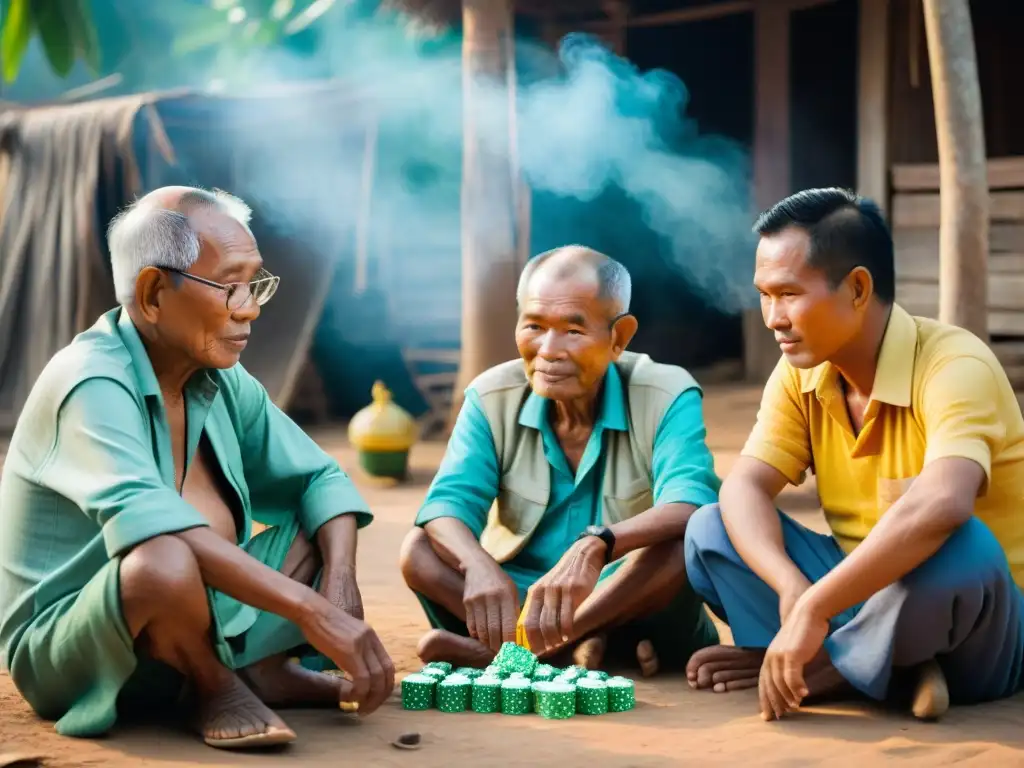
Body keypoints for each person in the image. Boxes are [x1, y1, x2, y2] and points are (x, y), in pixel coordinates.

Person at [0, 187, 394, 749]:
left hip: (199, 616)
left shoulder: (220, 378)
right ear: (155, 293)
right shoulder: (89, 381)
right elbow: (156, 532)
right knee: (161, 560)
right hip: (72, 651)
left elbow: (321, 479)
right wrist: (311, 612)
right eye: (230, 286)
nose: (251, 307)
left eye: (255, 283)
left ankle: (262, 670)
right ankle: (212, 684)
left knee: (323, 527)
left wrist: (338, 586)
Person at [683, 187, 1024, 721]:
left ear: (858, 288)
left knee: (962, 544)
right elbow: (745, 486)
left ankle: (827, 670)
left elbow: (944, 503)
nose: (772, 317)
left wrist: (817, 607)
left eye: (789, 293)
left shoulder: (955, 364)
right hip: (860, 593)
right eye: (764, 295)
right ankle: (886, 666)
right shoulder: (802, 373)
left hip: (978, 625)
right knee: (710, 528)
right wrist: (792, 590)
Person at [399, 245, 721, 675]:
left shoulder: (665, 392)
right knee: (419, 549)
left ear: (618, 338)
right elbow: (445, 507)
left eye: (573, 330)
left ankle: (525, 652)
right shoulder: (491, 395)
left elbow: (692, 502)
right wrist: (478, 566)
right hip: (521, 597)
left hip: (623, 591)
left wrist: (596, 544)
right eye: (534, 326)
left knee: (683, 541)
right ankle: (581, 648)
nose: (549, 350)